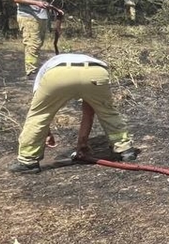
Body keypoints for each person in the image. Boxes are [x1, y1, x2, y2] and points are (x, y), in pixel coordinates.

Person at [8, 53, 137, 174]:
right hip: (96, 72)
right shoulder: (85, 59)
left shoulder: (44, 71)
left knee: (38, 115)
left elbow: (41, 112)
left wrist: (47, 133)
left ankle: (27, 161)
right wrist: (82, 143)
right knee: (108, 112)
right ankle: (125, 149)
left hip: (58, 75)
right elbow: (89, 113)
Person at [11, 0, 50, 79]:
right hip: (28, 16)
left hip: (41, 16)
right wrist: (36, 3)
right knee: (32, 44)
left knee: (38, 44)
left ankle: (34, 68)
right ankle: (31, 71)